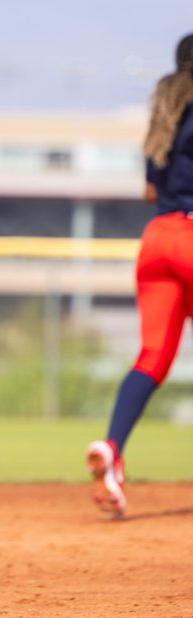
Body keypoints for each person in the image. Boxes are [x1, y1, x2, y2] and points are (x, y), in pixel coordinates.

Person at [86, 32, 193, 519]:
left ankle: (112, 449)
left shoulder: (165, 113)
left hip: (156, 242)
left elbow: (152, 190)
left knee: (152, 357)